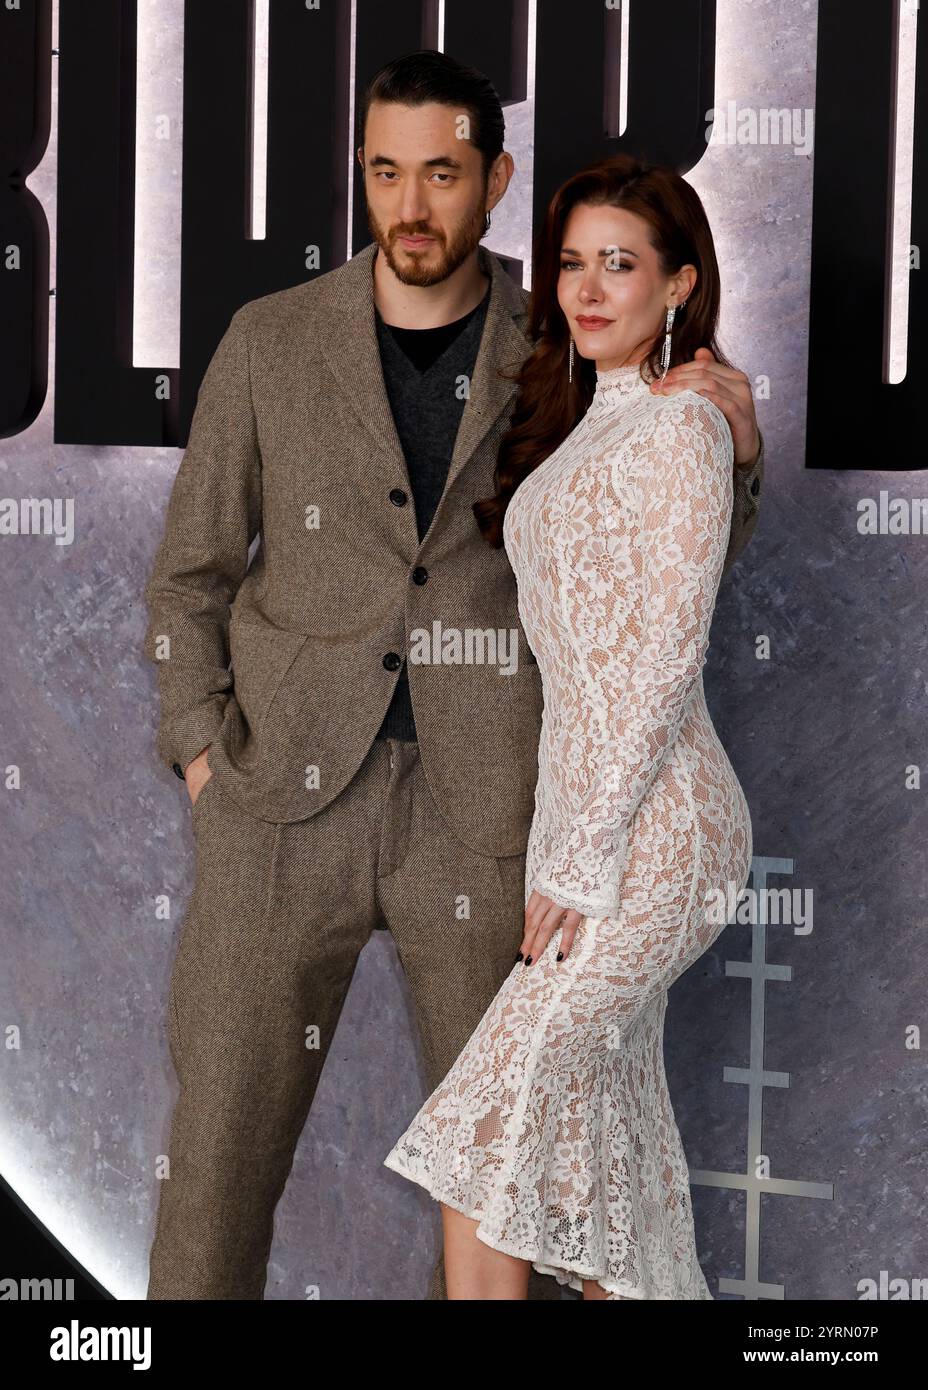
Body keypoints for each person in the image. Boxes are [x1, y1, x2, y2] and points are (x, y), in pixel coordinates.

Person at [144, 51, 763, 1300]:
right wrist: (203, 751)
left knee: (507, 1172)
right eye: (385, 172)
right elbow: (188, 573)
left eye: (441, 173)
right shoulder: (268, 343)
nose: (410, 205)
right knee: (213, 1165)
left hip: (492, 811)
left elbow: (655, 549)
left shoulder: (568, 324)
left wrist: (738, 447)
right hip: (278, 806)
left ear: (495, 179)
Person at [382, 153, 754, 1301]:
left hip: (660, 834)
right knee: (605, 1180)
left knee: (481, 1143)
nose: (589, 289)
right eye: (572, 263)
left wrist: (586, 861)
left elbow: (656, 661)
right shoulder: (584, 422)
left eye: (621, 265)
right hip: (583, 828)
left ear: (676, 286)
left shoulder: (681, 426)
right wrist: (563, 847)